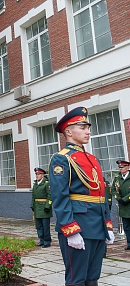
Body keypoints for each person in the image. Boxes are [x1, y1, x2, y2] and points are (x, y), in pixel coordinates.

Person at [49, 106, 114, 286]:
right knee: (76, 279)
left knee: (93, 277)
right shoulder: (61, 158)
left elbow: (101, 193)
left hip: (97, 225)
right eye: (83, 127)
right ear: (68, 131)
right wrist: (70, 230)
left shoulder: (92, 158)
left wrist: (107, 224)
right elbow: (60, 197)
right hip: (79, 225)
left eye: (88, 127)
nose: (88, 131)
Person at [30, 168, 52, 248]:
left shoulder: (46, 184)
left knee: (45, 226)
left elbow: (50, 195)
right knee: (38, 226)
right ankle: (41, 240)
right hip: (37, 207)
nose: (37, 176)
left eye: (39, 174)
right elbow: (33, 196)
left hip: (44, 208)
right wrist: (32, 205)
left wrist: (47, 206)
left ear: (43, 175)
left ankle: (47, 241)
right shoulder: (35, 184)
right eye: (36, 174)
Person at [111, 159, 130, 250]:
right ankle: (129, 244)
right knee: (126, 226)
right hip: (123, 206)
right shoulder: (117, 178)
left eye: (122, 167)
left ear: (128, 167)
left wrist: (126, 199)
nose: (120, 169)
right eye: (119, 167)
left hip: (128, 203)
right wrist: (118, 198)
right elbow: (113, 190)